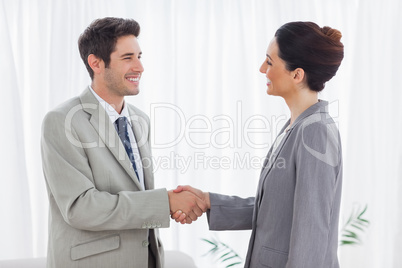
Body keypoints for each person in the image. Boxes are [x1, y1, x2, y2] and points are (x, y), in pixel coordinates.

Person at [172, 21, 344, 268]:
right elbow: (277, 209)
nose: (262, 68)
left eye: (270, 62)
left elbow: (311, 232)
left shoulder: (315, 131)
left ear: (297, 75)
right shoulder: (297, 126)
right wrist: (209, 200)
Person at [41, 17, 206, 268]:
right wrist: (166, 202)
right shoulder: (63, 120)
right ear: (96, 63)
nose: (140, 67)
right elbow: (80, 207)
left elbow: (137, 194)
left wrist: (170, 204)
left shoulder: (140, 120)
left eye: (140, 56)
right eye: (128, 57)